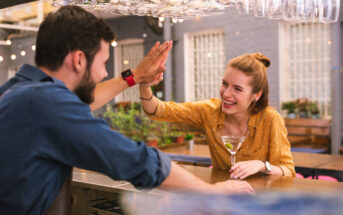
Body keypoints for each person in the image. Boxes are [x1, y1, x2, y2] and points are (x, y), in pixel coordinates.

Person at [0, 5, 253, 215]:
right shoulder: (44, 102)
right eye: (103, 62)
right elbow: (134, 160)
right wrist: (213, 191)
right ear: (78, 60)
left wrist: (134, 76)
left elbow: (81, 103)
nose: (104, 73)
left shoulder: (18, 91)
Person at [138, 52, 296, 179]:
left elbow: (288, 170)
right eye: (225, 84)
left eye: (238, 89)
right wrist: (144, 85)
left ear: (256, 95)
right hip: (222, 198)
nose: (226, 94)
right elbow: (158, 110)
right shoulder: (209, 111)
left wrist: (262, 165)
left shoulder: (270, 119)